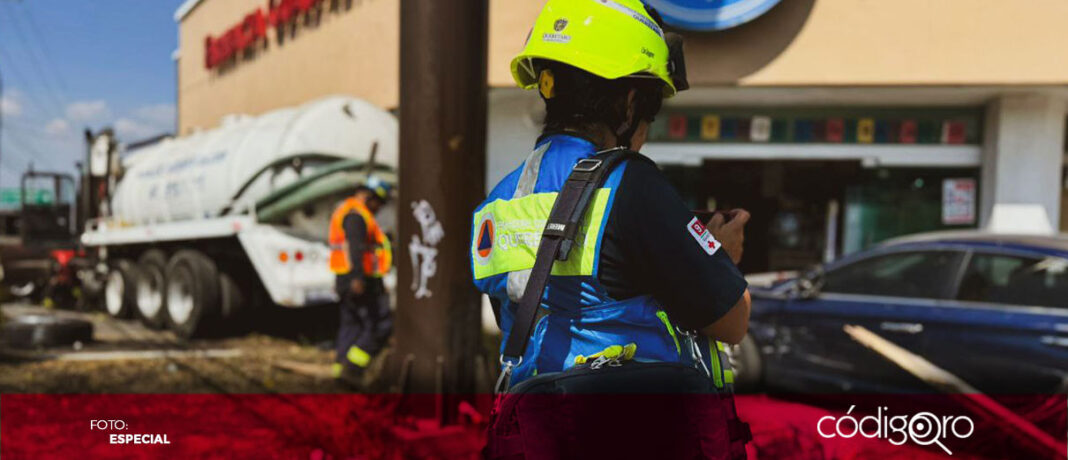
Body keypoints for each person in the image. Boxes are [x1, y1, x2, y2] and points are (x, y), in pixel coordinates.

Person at [471, 0, 752, 457]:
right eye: (649, 114)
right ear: (629, 102)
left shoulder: (498, 203)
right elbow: (732, 319)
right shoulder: (632, 183)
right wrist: (721, 252)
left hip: (538, 437)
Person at [329, 177, 393, 385]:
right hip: (358, 279)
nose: (380, 208)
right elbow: (355, 247)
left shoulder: (353, 213)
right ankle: (353, 368)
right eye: (379, 203)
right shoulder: (356, 216)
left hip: (347, 277)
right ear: (369, 197)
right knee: (380, 324)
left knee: (351, 324)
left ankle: (341, 370)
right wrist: (357, 277)